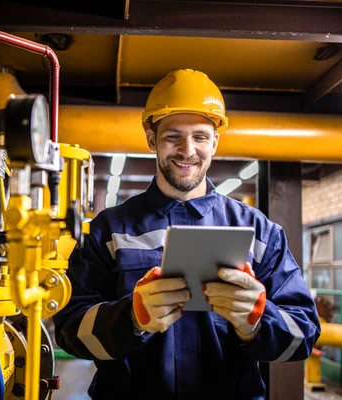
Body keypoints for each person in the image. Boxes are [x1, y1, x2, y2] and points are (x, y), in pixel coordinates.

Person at [53, 69, 320, 399]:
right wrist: (131, 318)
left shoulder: (258, 232)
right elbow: (69, 331)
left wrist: (257, 321)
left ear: (215, 142)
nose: (187, 150)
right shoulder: (109, 230)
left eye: (200, 137)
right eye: (173, 136)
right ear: (152, 140)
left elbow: (303, 335)